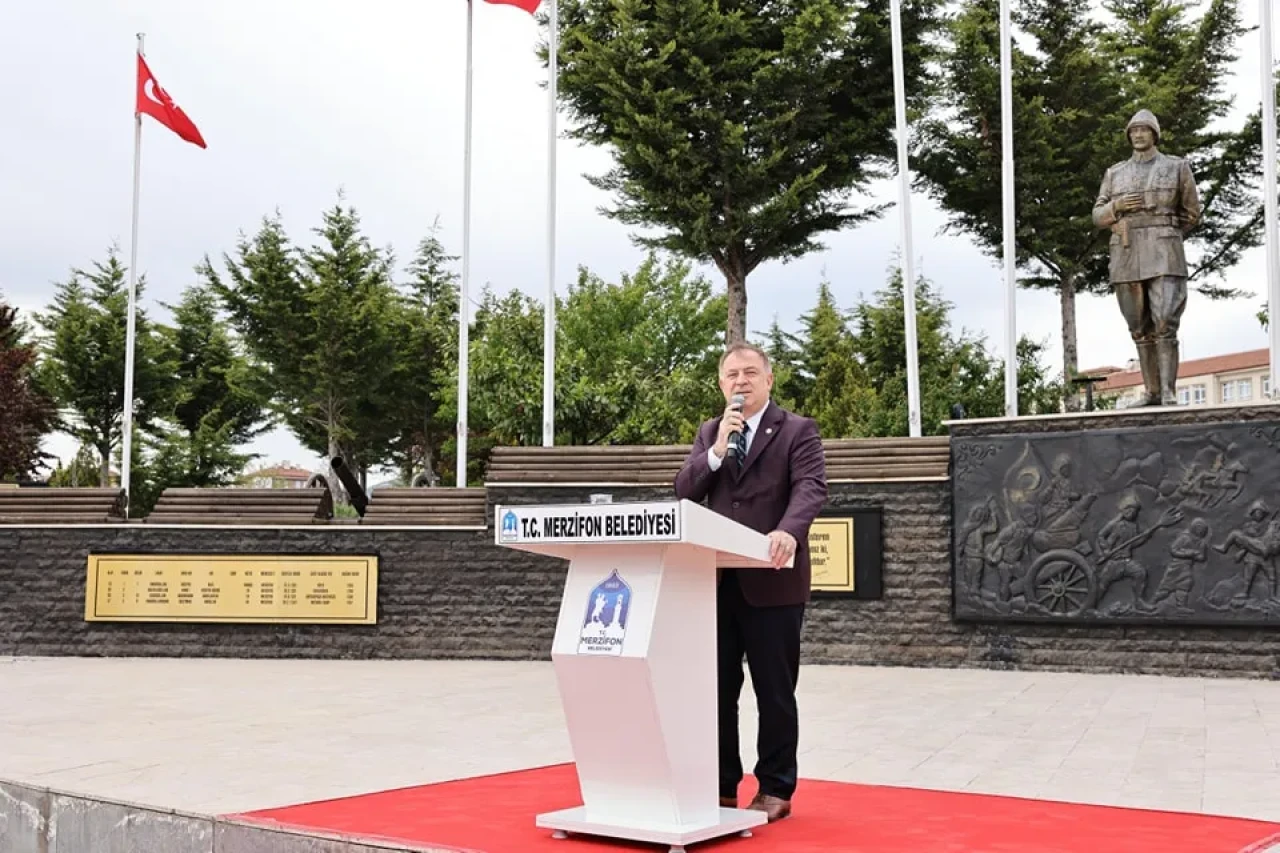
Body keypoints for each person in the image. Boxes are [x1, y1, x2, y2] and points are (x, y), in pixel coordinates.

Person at [673, 341, 827, 823]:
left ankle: (776, 787)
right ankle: (720, 785)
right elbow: (684, 490)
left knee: (774, 691)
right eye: (731, 375)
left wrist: (789, 531)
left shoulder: (797, 430)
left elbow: (811, 487)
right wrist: (717, 452)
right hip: (716, 582)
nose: (740, 381)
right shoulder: (710, 432)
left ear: (769, 379)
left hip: (773, 581)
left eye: (750, 373)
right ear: (722, 384)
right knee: (717, 690)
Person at [1092, 108, 1201, 406]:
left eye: (1144, 130)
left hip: (1164, 251)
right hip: (1126, 251)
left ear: (1154, 134)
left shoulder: (1177, 167)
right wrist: (1116, 207)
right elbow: (1097, 215)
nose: (1139, 135)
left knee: (1165, 321)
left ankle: (1167, 391)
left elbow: (1192, 213)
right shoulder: (1115, 173)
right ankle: (1151, 391)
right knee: (1139, 327)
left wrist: (1166, 231)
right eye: (1134, 131)